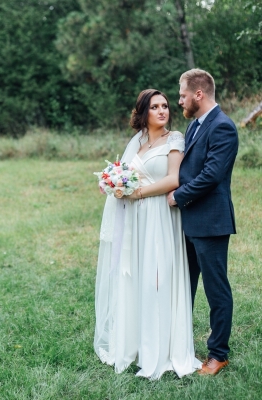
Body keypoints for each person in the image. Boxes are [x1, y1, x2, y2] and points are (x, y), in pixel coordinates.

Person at [94, 89, 201, 379]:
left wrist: (137, 193)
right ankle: (138, 343)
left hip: (160, 215)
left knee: (158, 276)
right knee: (138, 276)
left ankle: (162, 349)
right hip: (136, 219)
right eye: (155, 107)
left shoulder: (174, 139)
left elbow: (173, 179)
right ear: (143, 112)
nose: (163, 110)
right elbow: (126, 175)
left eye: (165, 105)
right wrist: (115, 184)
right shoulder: (138, 142)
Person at [168, 69, 238, 375]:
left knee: (216, 289)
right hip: (188, 222)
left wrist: (177, 196)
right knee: (184, 285)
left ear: (199, 94)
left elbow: (211, 175)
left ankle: (218, 354)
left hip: (211, 222)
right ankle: (180, 346)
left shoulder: (223, 127)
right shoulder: (194, 125)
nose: (179, 101)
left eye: (182, 95)